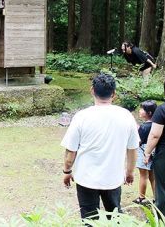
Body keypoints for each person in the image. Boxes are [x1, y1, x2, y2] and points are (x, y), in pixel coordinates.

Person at [61, 73, 139, 220]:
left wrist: (67, 170)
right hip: (113, 178)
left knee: (90, 219)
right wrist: (129, 172)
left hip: (86, 178)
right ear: (114, 94)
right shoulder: (126, 116)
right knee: (114, 217)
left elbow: (70, 151)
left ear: (92, 90)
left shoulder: (82, 116)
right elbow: (133, 149)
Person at [144, 73, 165, 220]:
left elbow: (155, 134)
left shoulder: (163, 109)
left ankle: (163, 219)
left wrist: (147, 152)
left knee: (164, 188)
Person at [133, 100, 157, 205]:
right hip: (154, 152)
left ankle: (141, 197)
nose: (140, 110)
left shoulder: (144, 127)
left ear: (149, 113)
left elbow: (138, 141)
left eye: (142, 109)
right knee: (153, 176)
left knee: (143, 175)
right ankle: (157, 198)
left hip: (144, 152)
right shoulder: (156, 125)